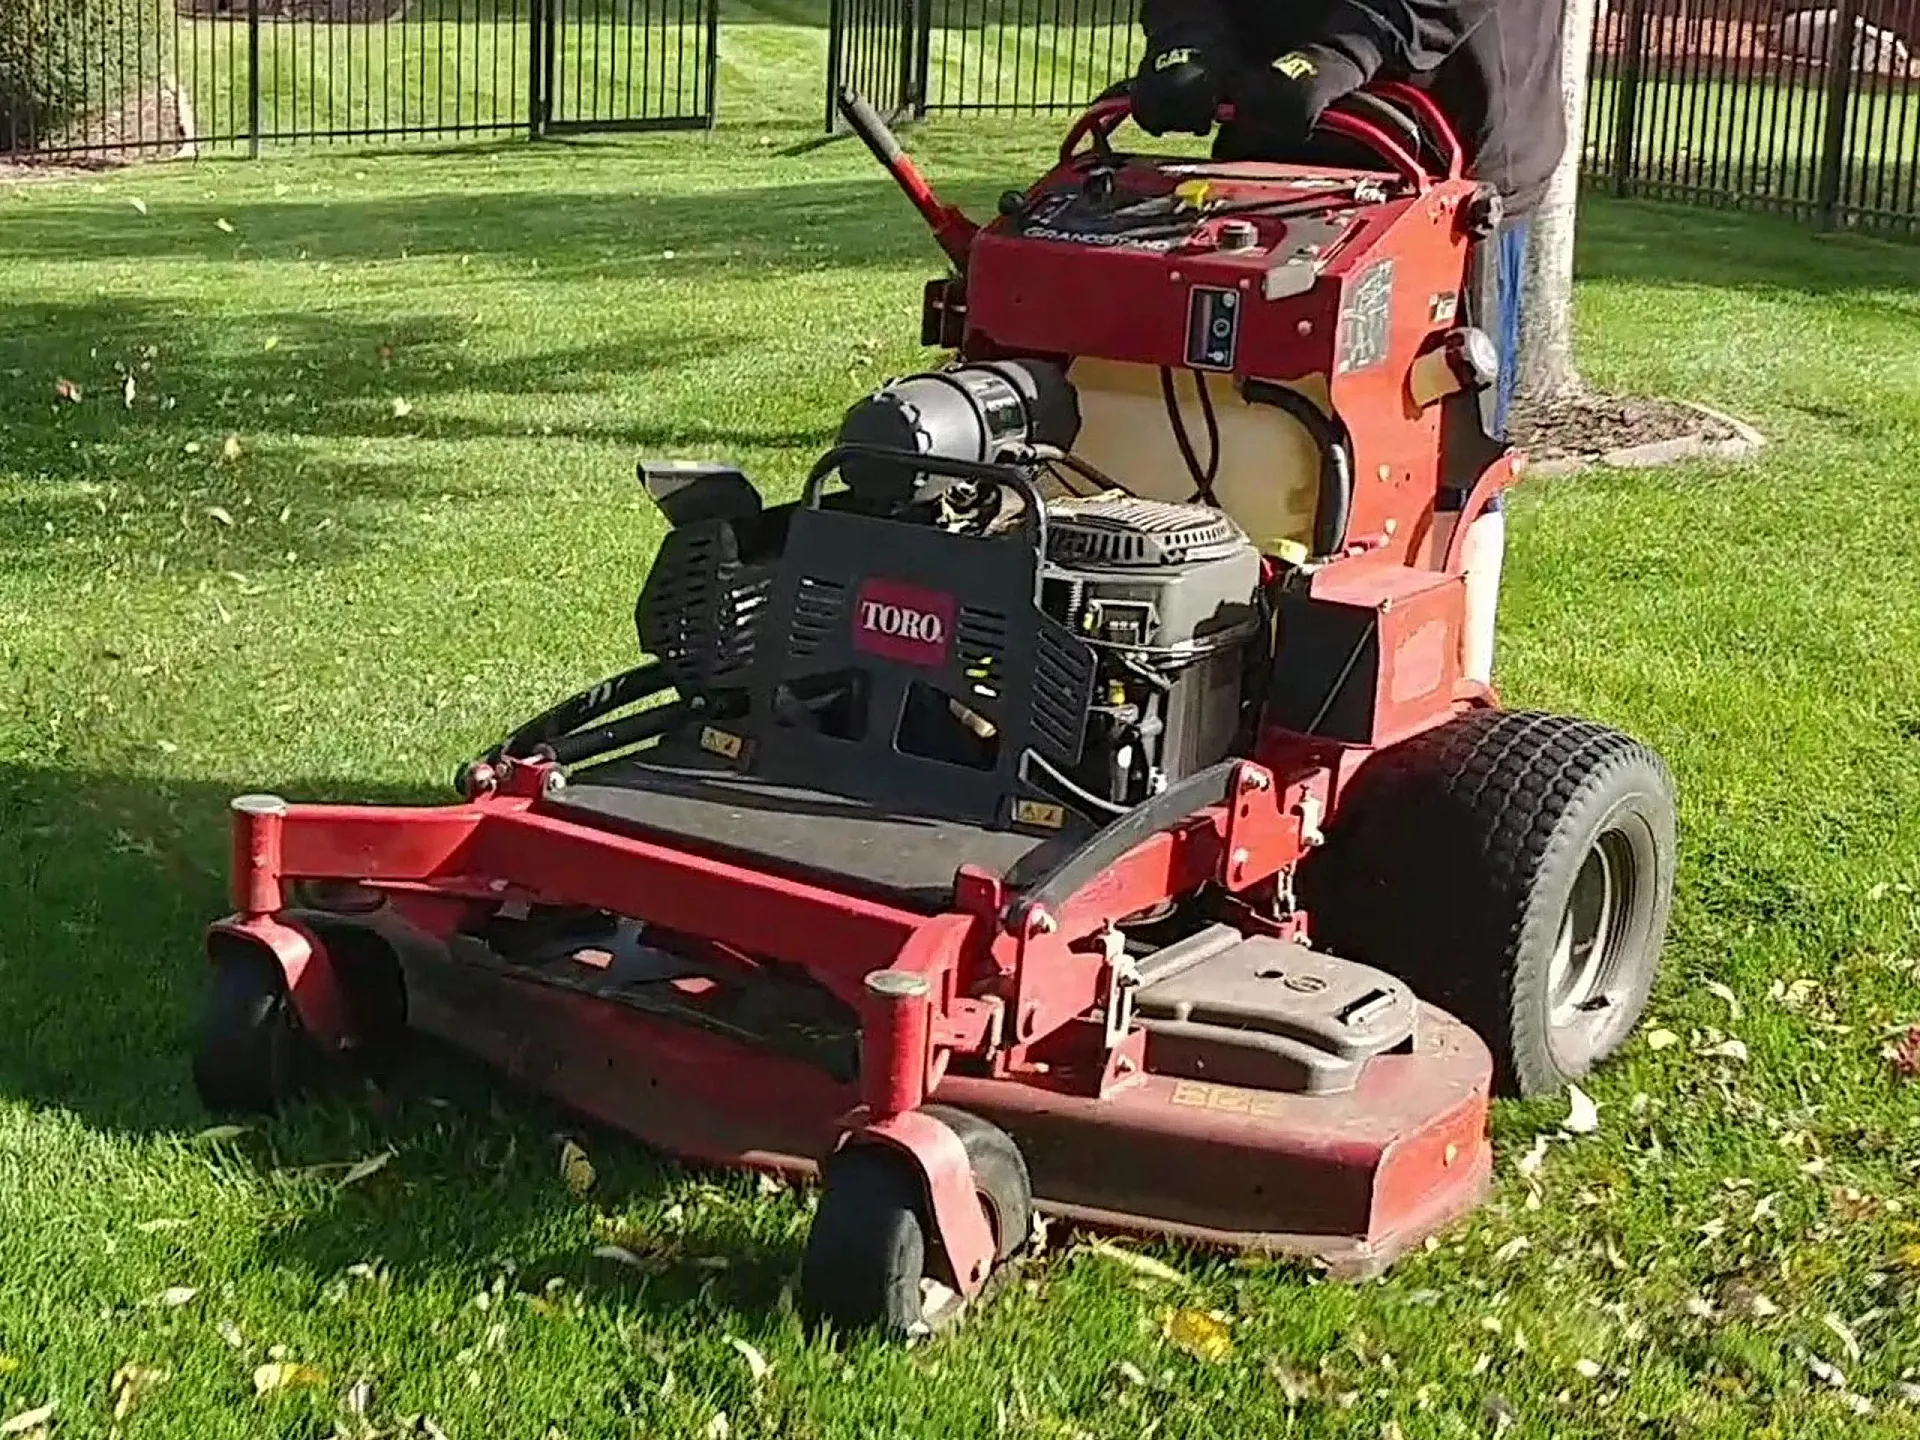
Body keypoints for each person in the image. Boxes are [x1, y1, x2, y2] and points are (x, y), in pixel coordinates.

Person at [1126, 0, 1566, 686]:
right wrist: (1188, 35)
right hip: (1273, 152)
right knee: (1216, 416)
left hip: (1440, 162)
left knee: (1441, 458)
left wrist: (1346, 50)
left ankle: (1447, 701)